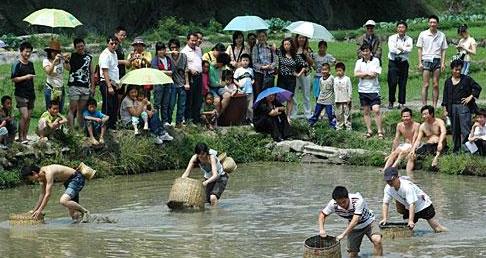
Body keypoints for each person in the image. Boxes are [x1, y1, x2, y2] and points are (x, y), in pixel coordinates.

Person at [319, 186, 383, 257]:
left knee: (377, 240)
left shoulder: (357, 200)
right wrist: (322, 230)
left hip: (369, 222)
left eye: (344, 202)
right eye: (339, 203)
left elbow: (355, 220)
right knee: (352, 254)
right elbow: (322, 215)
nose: (342, 205)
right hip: (354, 228)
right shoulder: (333, 204)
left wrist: (343, 235)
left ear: (348, 197)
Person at [380, 167, 448, 233]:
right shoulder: (388, 188)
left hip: (423, 205)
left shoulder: (407, 187)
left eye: (392, 180)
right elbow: (385, 203)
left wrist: (411, 220)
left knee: (437, 229)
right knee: (406, 229)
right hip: (409, 207)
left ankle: (448, 233)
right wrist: (385, 218)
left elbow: (412, 204)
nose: (390, 182)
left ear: (398, 177)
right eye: (387, 180)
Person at [21, 164, 90, 222]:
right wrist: (34, 210)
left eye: (29, 178)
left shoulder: (48, 172)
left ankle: (85, 212)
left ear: (34, 173)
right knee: (74, 215)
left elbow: (48, 194)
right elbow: (42, 195)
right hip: (68, 183)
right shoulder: (41, 178)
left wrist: (40, 210)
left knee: (63, 201)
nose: (30, 180)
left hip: (76, 178)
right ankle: (82, 227)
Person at [442, 59, 481, 153]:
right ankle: (456, 150)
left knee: (465, 130)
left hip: (464, 107)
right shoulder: (448, 82)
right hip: (452, 108)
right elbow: (445, 97)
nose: (458, 71)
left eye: (459, 69)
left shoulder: (466, 79)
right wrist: (445, 109)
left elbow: (477, 87)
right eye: (456, 69)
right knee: (455, 131)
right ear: (452, 69)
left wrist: (470, 97)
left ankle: (470, 150)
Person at [417, 15, 448, 108]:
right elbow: (419, 48)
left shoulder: (441, 35)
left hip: (437, 59)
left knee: (435, 84)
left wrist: (443, 63)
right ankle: (424, 105)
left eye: (434, 22)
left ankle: (434, 105)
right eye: (431, 22)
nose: (432, 24)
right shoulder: (423, 34)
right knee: (426, 84)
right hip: (426, 59)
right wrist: (420, 62)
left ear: (437, 24)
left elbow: (444, 50)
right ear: (428, 23)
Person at [354, 44, 383, 139]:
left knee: (376, 109)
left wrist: (362, 75)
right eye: (364, 51)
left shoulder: (376, 61)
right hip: (362, 90)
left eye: (367, 51)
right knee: (366, 111)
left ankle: (380, 131)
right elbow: (356, 74)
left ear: (370, 51)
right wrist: (366, 73)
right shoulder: (358, 62)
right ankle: (369, 130)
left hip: (373, 89)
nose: (365, 53)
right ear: (361, 52)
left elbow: (374, 75)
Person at [66, 38, 95, 128]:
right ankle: (71, 130)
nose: (80, 48)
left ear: (84, 45)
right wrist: (66, 61)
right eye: (78, 47)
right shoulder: (71, 56)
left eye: (82, 46)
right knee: (72, 108)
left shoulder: (89, 58)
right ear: (75, 47)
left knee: (81, 109)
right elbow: (68, 68)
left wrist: (93, 87)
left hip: (85, 86)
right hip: (74, 85)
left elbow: (91, 73)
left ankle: (80, 129)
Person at [408, 105, 447, 169]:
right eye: (423, 114)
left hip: (440, 144)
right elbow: (418, 140)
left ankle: (436, 158)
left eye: (426, 114)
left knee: (440, 145)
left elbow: (443, 132)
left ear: (431, 114)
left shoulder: (439, 122)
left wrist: (440, 143)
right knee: (412, 156)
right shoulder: (422, 126)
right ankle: (409, 175)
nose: (424, 116)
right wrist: (413, 150)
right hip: (429, 146)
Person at [277, 37, 306, 123]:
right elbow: (273, 49)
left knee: (289, 98)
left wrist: (298, 74)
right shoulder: (280, 53)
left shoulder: (295, 56)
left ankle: (288, 116)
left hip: (291, 79)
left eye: (288, 44)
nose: (286, 46)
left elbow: (304, 65)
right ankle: (280, 115)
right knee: (280, 97)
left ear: (291, 45)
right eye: (285, 44)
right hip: (281, 78)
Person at [11, 41, 35, 144]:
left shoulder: (31, 64)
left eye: (30, 52)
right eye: (26, 52)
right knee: (24, 115)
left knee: (29, 117)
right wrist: (26, 77)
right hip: (20, 93)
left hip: (30, 93)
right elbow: (13, 79)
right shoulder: (17, 64)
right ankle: (20, 137)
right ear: (21, 52)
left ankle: (25, 136)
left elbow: (32, 77)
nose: (28, 54)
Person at [384, 108, 420, 176]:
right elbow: (396, 139)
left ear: (411, 117)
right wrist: (392, 151)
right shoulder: (399, 125)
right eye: (404, 116)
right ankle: (384, 170)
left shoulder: (416, 125)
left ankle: (393, 168)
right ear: (401, 117)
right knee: (394, 154)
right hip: (405, 144)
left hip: (414, 144)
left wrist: (412, 150)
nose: (405, 118)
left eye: (407, 116)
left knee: (402, 153)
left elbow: (415, 139)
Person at [387, 21, 413, 109]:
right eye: (399, 27)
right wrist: (403, 49)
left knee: (402, 83)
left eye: (403, 27)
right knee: (392, 82)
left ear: (406, 29)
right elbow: (391, 50)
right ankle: (391, 101)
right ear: (396, 28)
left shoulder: (409, 39)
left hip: (403, 63)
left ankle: (401, 102)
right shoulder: (391, 38)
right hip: (393, 62)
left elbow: (409, 49)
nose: (401, 29)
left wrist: (399, 48)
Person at [181, 32, 203, 124]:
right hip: (190, 77)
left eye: (195, 40)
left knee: (198, 99)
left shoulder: (198, 49)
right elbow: (182, 66)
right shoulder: (184, 51)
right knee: (189, 99)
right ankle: (188, 119)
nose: (194, 42)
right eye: (192, 40)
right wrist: (190, 69)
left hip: (199, 76)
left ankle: (196, 119)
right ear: (188, 40)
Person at [98, 36, 120, 129]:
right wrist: (109, 86)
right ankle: (104, 127)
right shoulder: (105, 54)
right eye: (112, 43)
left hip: (114, 83)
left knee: (114, 105)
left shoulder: (114, 53)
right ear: (108, 44)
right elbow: (105, 71)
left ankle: (112, 125)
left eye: (116, 43)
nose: (114, 45)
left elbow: (114, 68)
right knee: (108, 106)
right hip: (106, 83)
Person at [168, 38, 189, 128]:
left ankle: (179, 122)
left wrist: (187, 83)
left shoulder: (184, 56)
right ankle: (168, 122)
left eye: (176, 48)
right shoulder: (167, 56)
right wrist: (169, 53)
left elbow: (186, 70)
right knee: (171, 104)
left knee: (182, 105)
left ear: (179, 48)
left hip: (182, 83)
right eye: (172, 48)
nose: (174, 50)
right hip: (171, 84)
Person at [151, 42, 174, 126]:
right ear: (157, 51)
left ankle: (165, 121)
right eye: (159, 50)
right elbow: (156, 71)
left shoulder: (168, 59)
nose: (161, 51)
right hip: (158, 84)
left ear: (165, 50)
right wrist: (167, 72)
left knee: (165, 104)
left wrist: (164, 72)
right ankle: (156, 121)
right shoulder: (155, 60)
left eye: (163, 49)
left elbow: (173, 71)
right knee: (157, 104)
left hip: (167, 83)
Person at [43, 39, 68, 112]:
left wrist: (66, 60)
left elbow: (68, 68)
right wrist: (54, 62)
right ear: (49, 52)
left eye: (57, 51)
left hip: (60, 87)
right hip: (50, 88)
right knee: (50, 110)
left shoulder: (61, 60)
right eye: (53, 51)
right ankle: (49, 123)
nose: (55, 53)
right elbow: (49, 72)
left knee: (59, 109)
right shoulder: (46, 61)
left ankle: (58, 123)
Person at [293, 34, 314, 119]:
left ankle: (307, 113)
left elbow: (312, 63)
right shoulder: (293, 49)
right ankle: (293, 113)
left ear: (306, 39)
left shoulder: (308, 49)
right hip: (294, 74)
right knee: (294, 94)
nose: (301, 39)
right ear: (297, 38)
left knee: (306, 94)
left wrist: (306, 55)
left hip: (305, 73)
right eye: (300, 37)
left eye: (303, 38)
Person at [308, 63, 335, 127]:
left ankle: (333, 125)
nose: (324, 71)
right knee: (316, 113)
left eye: (326, 70)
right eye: (322, 70)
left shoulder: (332, 78)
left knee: (330, 114)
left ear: (329, 70)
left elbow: (334, 88)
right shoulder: (320, 79)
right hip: (320, 100)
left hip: (329, 100)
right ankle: (310, 124)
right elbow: (321, 89)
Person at [252, 30, 277, 96]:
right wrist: (263, 67)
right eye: (259, 37)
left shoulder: (271, 47)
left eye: (263, 36)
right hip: (259, 74)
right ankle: (260, 106)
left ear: (266, 37)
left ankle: (268, 106)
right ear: (257, 38)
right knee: (259, 93)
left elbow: (275, 61)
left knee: (269, 94)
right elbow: (254, 62)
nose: (261, 38)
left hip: (270, 73)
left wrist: (270, 66)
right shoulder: (255, 48)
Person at [233, 53, 254, 123]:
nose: (245, 62)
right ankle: (242, 119)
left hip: (250, 91)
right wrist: (238, 84)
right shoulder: (238, 70)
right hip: (241, 91)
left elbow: (252, 78)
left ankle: (250, 119)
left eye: (247, 60)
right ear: (240, 61)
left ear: (249, 62)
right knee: (242, 106)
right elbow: (234, 79)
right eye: (243, 60)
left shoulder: (250, 70)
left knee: (250, 107)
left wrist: (252, 81)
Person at [114, 26, 129, 119]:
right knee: (118, 97)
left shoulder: (121, 46)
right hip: (116, 75)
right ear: (116, 34)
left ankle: (119, 116)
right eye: (121, 35)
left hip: (122, 73)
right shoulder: (115, 45)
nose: (123, 37)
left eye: (124, 35)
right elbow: (112, 60)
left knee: (121, 96)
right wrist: (124, 61)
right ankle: (116, 116)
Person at [333, 62, 353, 131]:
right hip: (338, 100)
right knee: (338, 114)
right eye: (337, 71)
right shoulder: (335, 79)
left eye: (340, 70)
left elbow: (349, 89)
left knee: (347, 114)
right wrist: (334, 99)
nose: (338, 72)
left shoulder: (347, 79)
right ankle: (339, 127)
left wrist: (349, 98)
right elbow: (334, 90)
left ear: (343, 71)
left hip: (345, 100)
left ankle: (348, 127)